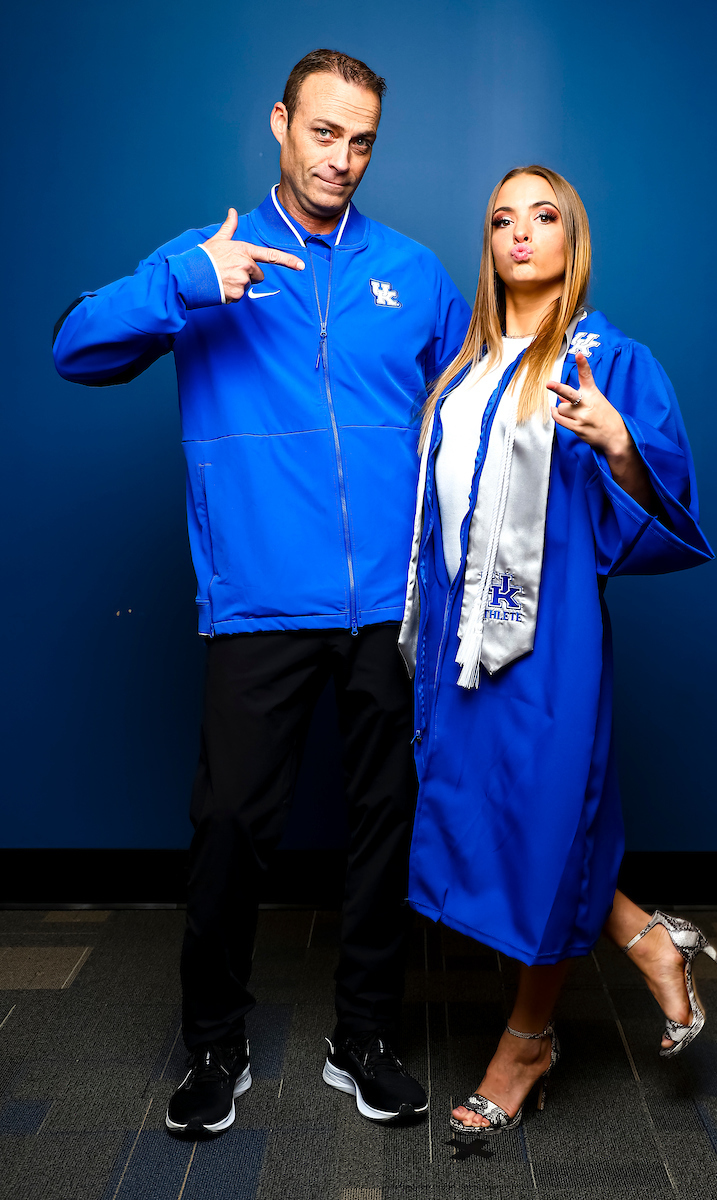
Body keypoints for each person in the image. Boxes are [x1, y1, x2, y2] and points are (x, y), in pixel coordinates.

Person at [53, 48, 471, 1134]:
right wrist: (187, 283)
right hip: (258, 604)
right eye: (323, 133)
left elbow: (474, 413)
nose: (342, 158)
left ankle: (365, 1036)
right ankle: (214, 1047)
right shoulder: (209, 259)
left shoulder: (414, 274)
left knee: (388, 822)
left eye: (361, 140)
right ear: (279, 124)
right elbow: (73, 349)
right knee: (232, 825)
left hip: (391, 605)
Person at [398, 164, 717, 1135]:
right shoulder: (460, 369)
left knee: (545, 823)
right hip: (456, 633)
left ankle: (525, 1042)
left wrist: (619, 445)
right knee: (500, 817)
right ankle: (645, 936)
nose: (518, 234)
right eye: (501, 218)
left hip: (547, 633)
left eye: (541, 217)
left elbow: (657, 508)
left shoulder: (603, 360)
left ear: (569, 241)